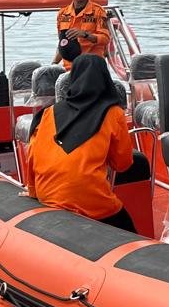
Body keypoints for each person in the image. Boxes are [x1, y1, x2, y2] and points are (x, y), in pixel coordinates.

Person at [27, 55, 136, 230]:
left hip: (46, 194)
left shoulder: (49, 113)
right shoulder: (113, 113)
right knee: (129, 230)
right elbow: (122, 164)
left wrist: (33, 191)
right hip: (90, 200)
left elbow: (32, 153)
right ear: (105, 78)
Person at [53, 0, 110, 69]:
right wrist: (54, 64)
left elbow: (105, 39)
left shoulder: (99, 11)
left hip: (92, 66)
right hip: (69, 68)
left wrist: (85, 34)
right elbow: (62, 43)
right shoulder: (62, 13)